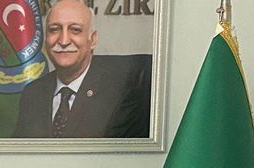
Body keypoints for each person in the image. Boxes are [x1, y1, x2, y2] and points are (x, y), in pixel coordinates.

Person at [13, 0, 151, 139]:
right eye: (54, 29)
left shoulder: (120, 92)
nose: (64, 41)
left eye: (75, 30)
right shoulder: (33, 93)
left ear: (93, 40)